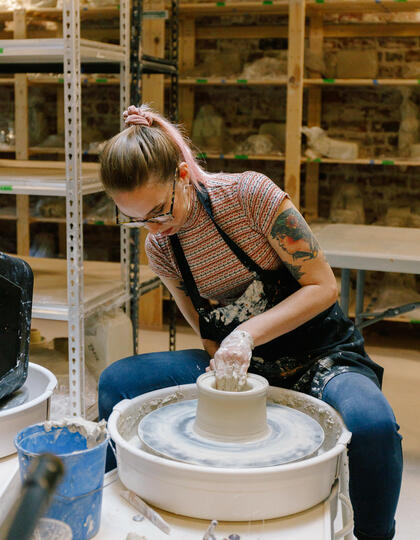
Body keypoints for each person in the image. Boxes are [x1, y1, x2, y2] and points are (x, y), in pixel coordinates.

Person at [98, 104, 402, 540]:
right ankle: (125, 509)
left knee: (374, 425)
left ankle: (376, 535)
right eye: (136, 219)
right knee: (116, 382)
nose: (154, 228)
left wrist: (246, 334)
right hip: (243, 364)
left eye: (160, 212)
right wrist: (221, 379)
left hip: (321, 355)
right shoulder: (162, 249)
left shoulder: (249, 197)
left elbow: (323, 286)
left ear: (183, 175)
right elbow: (206, 330)